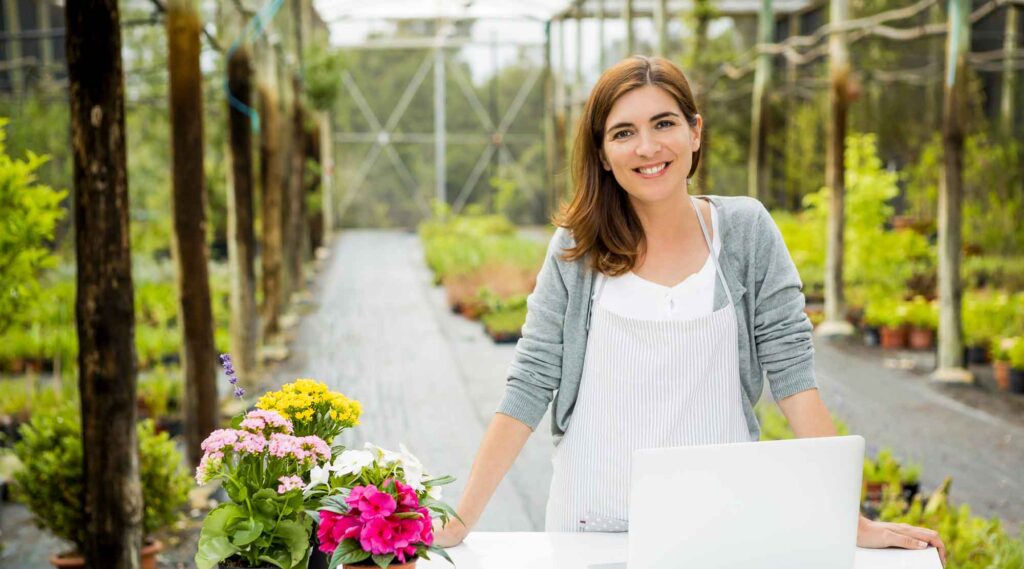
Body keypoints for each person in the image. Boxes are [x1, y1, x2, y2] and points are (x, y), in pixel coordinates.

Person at [433, 55, 945, 565]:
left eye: (664, 123)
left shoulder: (745, 233)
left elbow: (793, 376)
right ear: (603, 154)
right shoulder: (577, 250)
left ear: (695, 132)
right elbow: (530, 383)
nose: (648, 147)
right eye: (623, 132)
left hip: (719, 529)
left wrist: (850, 522)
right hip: (590, 530)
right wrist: (460, 520)